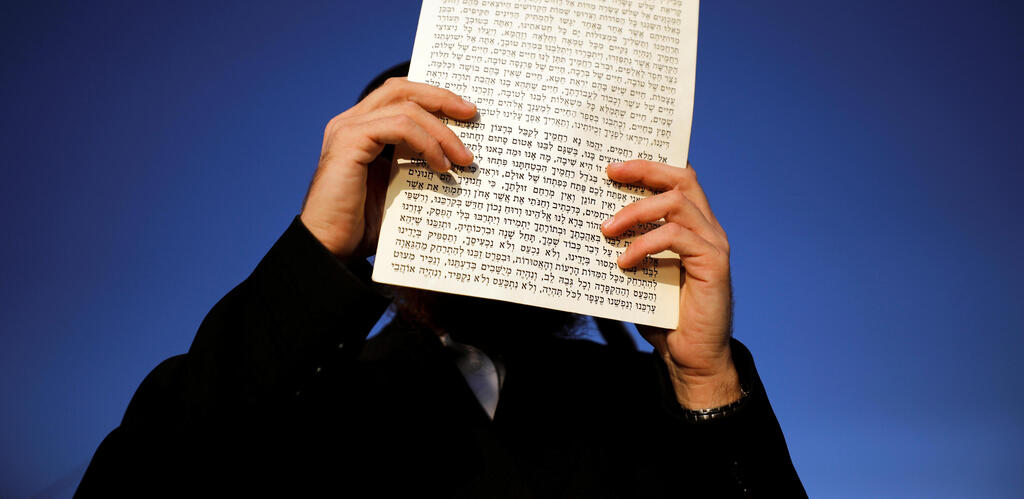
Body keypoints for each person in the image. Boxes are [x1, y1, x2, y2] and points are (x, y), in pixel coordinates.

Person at [76, 64, 806, 497]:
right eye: (435, 163)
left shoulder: (655, 403)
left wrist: (707, 379)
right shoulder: (284, 392)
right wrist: (315, 253)